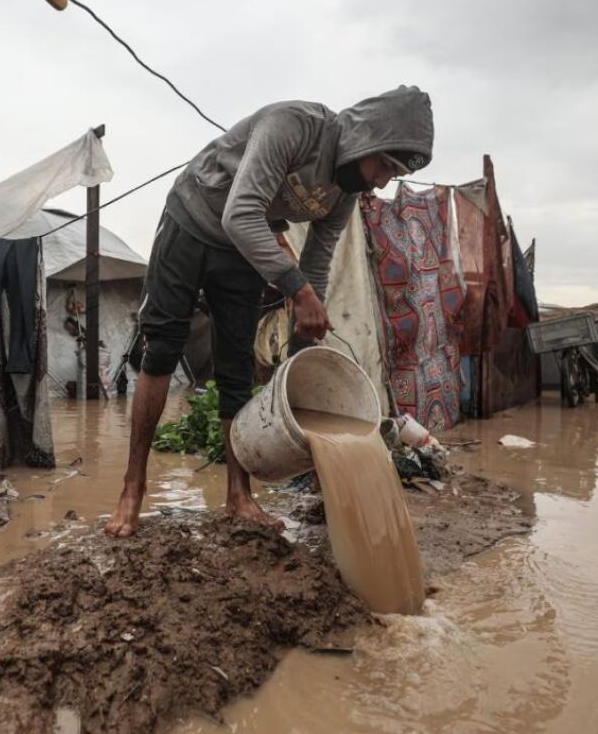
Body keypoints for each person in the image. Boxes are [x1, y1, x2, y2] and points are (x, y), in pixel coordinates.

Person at [104, 86, 434, 537]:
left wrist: (301, 346)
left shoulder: (344, 191)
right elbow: (239, 212)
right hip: (194, 218)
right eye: (384, 166)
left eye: (393, 175)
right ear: (366, 140)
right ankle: (132, 487)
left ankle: (238, 495)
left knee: (237, 367)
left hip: (243, 247)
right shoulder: (294, 126)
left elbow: (318, 257)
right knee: (162, 349)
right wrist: (297, 290)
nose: (381, 181)